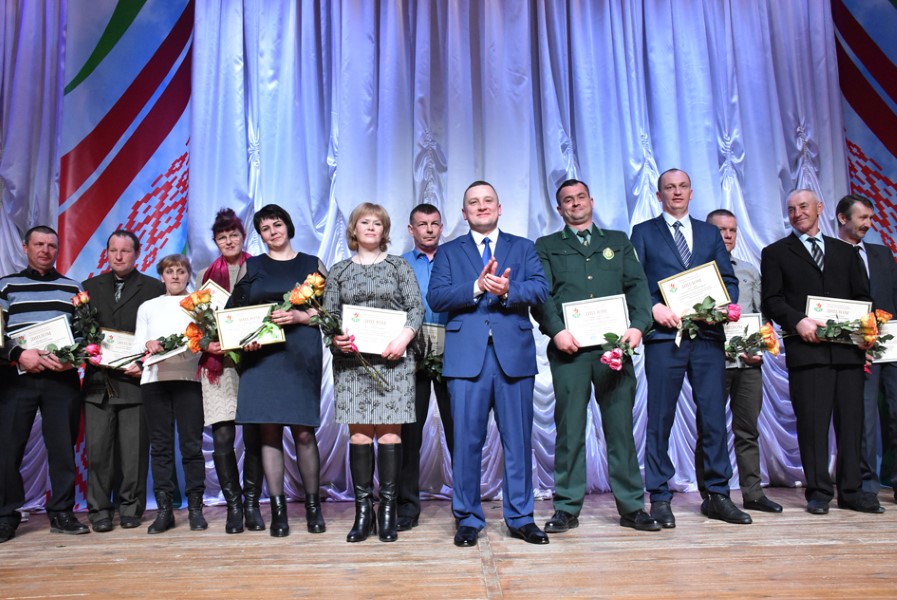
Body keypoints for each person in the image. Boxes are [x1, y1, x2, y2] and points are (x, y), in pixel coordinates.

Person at [532, 179, 660, 534]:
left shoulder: (617, 241)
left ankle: (632, 507)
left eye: (580, 197)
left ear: (591, 200)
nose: (575, 203)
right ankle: (566, 508)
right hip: (569, 352)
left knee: (620, 430)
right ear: (559, 208)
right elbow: (542, 295)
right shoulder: (546, 246)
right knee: (570, 431)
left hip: (614, 350)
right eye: (567, 200)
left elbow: (637, 287)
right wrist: (557, 330)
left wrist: (638, 327)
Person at [428, 180, 550, 547]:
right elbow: (437, 297)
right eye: (473, 202)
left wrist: (509, 290)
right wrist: (478, 287)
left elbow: (540, 289)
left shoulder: (523, 247)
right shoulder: (449, 252)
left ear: (499, 208)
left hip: (514, 357)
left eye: (488, 201)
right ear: (464, 213)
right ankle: (467, 517)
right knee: (466, 441)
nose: (481, 206)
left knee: (518, 441)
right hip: (466, 359)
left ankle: (521, 517)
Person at [630, 168, 751, 527]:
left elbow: (728, 281)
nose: (677, 192)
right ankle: (660, 496)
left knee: (713, 418)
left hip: (707, 337)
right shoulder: (643, 232)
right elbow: (634, 282)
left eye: (683, 186)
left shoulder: (710, 233)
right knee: (660, 418)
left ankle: (717, 495)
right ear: (659, 195)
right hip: (664, 338)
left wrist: (720, 305)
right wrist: (654, 307)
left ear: (691, 192)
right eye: (669, 187)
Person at [761, 189, 880, 514]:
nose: (797, 213)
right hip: (807, 353)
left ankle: (852, 491)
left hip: (847, 353)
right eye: (791, 209)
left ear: (819, 208)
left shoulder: (845, 251)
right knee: (812, 425)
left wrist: (863, 331)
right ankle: (818, 493)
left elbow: (863, 297)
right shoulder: (775, 253)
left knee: (851, 424)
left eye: (803, 206)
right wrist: (797, 321)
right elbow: (771, 300)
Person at [324, 202, 424, 543]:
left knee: (390, 436)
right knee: (360, 436)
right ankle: (363, 514)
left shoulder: (399, 267)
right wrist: (336, 338)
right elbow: (329, 317)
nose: (370, 227)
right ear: (354, 229)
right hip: (353, 365)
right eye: (364, 222)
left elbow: (416, 308)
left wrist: (403, 339)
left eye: (377, 223)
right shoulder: (338, 271)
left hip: (394, 361)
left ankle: (387, 513)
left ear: (384, 230)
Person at [228, 204, 327, 537]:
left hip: (300, 355)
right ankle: (278, 512)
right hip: (262, 359)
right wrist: (244, 340)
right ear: (260, 235)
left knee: (304, 433)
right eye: (265, 228)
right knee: (268, 433)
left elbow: (330, 312)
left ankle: (313, 508)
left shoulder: (312, 264)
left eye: (277, 224)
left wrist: (300, 316)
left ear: (288, 226)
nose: (273, 231)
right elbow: (234, 312)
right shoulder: (252, 266)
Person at [0, 226, 89, 543]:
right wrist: (19, 354)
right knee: (7, 449)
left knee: (63, 449)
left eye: (52, 245)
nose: (45, 250)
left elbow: (86, 334)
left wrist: (72, 359)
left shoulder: (72, 287)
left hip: (61, 378)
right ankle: (5, 516)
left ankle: (62, 512)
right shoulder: (6, 286)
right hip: (15, 379)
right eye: (39, 244)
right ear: (25, 247)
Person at [693, 210, 782, 513]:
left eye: (732, 230)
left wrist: (760, 346)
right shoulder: (696, 274)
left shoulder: (748, 270)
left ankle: (753, 494)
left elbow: (762, 316)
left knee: (747, 429)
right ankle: (712, 495)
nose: (728, 235)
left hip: (747, 363)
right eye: (721, 230)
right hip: (711, 363)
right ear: (708, 234)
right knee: (710, 429)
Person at [81, 230, 165, 532]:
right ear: (106, 253)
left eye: (125, 251)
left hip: (135, 382)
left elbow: (164, 334)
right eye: (113, 250)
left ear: (137, 254)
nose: (118, 256)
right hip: (98, 385)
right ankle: (99, 511)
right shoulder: (89, 287)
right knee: (98, 453)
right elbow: (80, 333)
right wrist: (86, 351)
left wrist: (145, 364)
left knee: (134, 453)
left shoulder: (154, 288)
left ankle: (131, 508)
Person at [195, 209, 264, 534]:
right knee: (223, 437)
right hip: (219, 366)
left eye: (233, 235)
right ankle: (234, 506)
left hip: (254, 363)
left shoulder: (260, 268)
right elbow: (196, 326)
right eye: (222, 237)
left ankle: (252, 505)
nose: (229, 241)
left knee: (254, 436)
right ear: (216, 241)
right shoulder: (204, 276)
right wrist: (206, 344)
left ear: (243, 236)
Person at [135, 254, 206, 533]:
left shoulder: (198, 305)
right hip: (154, 381)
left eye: (181, 271)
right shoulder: (148, 306)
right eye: (169, 271)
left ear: (188, 275)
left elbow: (206, 339)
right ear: (161, 276)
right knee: (161, 447)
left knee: (191, 446)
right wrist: (148, 344)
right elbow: (139, 343)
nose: (175, 276)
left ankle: (196, 509)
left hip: (189, 379)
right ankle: (165, 510)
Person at [837, 194, 897, 503]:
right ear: (843, 218)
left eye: (871, 218)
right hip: (857, 347)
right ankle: (866, 486)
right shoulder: (830, 255)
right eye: (863, 218)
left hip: (892, 345)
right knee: (864, 418)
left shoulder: (882, 254)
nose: (869, 224)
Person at [397, 203, 454, 532]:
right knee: (409, 435)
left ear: (441, 226)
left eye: (434, 223)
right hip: (411, 356)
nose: (429, 229)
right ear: (411, 229)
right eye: (422, 224)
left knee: (458, 431)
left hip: (453, 354)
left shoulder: (455, 259)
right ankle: (407, 506)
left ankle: (465, 503)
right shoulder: (399, 264)